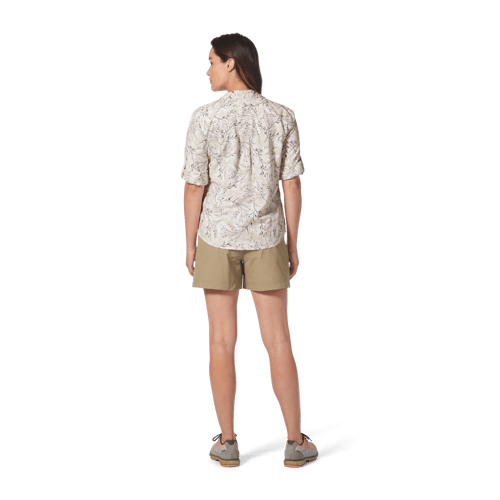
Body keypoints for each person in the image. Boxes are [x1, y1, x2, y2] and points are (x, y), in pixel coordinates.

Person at [180, 32, 318, 468]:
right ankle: (295, 443)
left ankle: (227, 443)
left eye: (211, 61)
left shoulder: (203, 117)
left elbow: (193, 187)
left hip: (216, 239)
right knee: (278, 340)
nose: (207, 69)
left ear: (232, 63)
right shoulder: (283, 116)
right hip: (267, 239)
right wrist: (292, 243)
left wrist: (190, 245)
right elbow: (292, 185)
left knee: (221, 341)